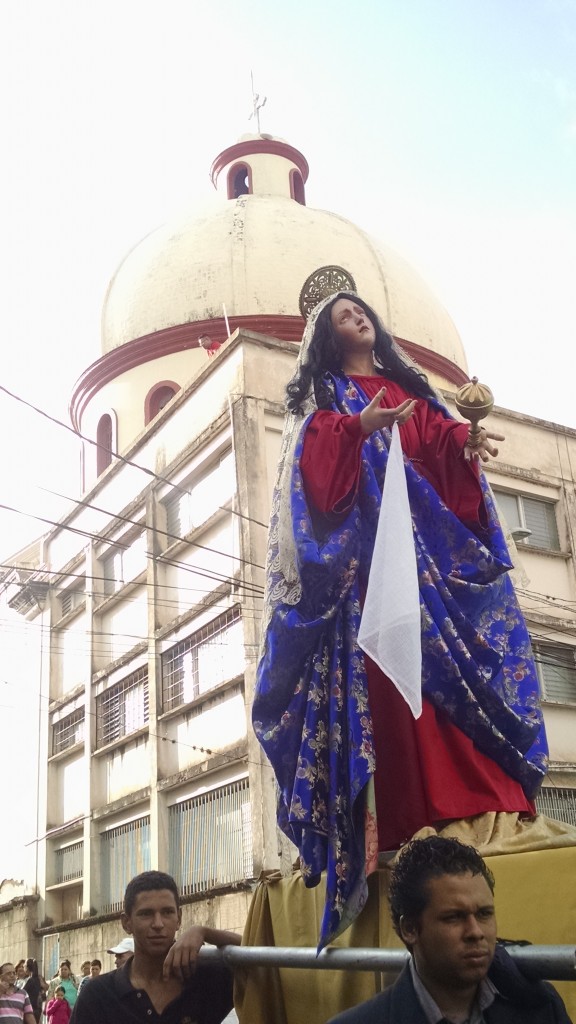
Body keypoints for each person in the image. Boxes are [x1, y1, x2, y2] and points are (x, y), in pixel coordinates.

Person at [253, 292, 549, 949]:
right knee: (385, 684)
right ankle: (401, 818)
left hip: (427, 563)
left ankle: (473, 803)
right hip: (365, 572)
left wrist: (465, 443)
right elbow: (312, 471)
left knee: (455, 673)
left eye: (360, 312)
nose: (355, 319)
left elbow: (440, 450)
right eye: (340, 318)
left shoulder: (402, 389)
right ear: (326, 340)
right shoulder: (327, 399)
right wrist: (358, 429)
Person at [327, 835, 571, 1023]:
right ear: (410, 928)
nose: (476, 932)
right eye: (454, 917)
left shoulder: (540, 1007)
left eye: (484, 914)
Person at [70, 869, 241, 1023]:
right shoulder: (98, 996)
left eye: (167, 912)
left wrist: (205, 932)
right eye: (146, 914)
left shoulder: (207, 980)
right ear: (126, 923)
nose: (158, 924)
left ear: (179, 918)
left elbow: (262, 951)